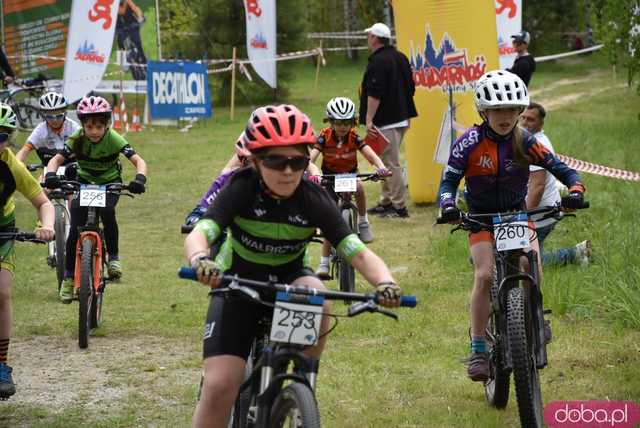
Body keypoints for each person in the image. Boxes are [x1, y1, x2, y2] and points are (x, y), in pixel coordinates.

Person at [184, 104, 402, 428]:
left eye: (298, 161)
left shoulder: (312, 197)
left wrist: (386, 282)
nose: (288, 171)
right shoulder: (241, 187)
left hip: (290, 278)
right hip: (236, 283)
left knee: (319, 292)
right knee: (219, 387)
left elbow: (357, 252)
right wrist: (201, 260)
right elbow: (202, 232)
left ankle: (303, 383)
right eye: (276, 160)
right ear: (256, 161)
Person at [438, 70, 586, 382]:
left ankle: (535, 315)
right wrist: (449, 205)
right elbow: (449, 181)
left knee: (531, 262)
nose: (505, 117)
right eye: (497, 110)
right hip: (480, 216)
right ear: (484, 111)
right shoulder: (469, 143)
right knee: (484, 274)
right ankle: (478, 346)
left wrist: (575, 190)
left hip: (516, 213)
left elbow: (560, 169)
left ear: (520, 112)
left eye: (511, 110)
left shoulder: (525, 141)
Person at [44, 96, 147, 302]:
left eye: (99, 126)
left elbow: (139, 161)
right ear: (82, 125)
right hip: (84, 182)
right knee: (75, 229)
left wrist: (140, 178)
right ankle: (69, 278)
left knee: (108, 212)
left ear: (107, 125)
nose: (94, 131)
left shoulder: (115, 138)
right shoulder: (76, 138)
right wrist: (51, 175)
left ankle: (114, 257)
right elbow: (56, 160)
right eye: (89, 126)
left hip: (110, 183)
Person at [0, 103, 55, 399]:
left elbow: (43, 203)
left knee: (2, 293)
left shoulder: (12, 165)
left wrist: (46, 226)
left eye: (1, 136)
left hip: (2, 232)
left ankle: (1, 364)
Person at [310, 97, 390, 278]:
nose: (343, 127)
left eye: (347, 122)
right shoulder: (324, 136)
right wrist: (314, 173)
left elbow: (369, 152)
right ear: (330, 121)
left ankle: (363, 221)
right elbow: (311, 158)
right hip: (329, 178)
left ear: (352, 122)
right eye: (338, 122)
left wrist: (380, 167)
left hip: (349, 175)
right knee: (329, 219)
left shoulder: (354, 137)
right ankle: (323, 264)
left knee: (360, 189)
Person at [521, 102, 591, 267]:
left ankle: (574, 254)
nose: (524, 122)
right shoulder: (527, 139)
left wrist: (523, 217)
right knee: (521, 258)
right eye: (523, 117)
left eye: (530, 119)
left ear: (541, 124)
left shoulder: (535, 145)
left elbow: (537, 186)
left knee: (526, 261)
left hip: (540, 213)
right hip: (542, 209)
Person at [359, 22, 417, 218]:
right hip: (402, 118)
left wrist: (369, 119)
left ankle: (399, 207)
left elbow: (375, 93)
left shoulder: (377, 61)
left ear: (375, 38)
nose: (368, 39)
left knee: (390, 164)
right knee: (384, 161)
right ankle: (386, 201)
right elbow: (412, 86)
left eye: (369, 36)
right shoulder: (400, 57)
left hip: (386, 121)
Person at [16, 92, 81, 181]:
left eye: (58, 115)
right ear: (44, 114)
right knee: (41, 191)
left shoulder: (74, 127)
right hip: (49, 171)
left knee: (72, 194)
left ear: (65, 112)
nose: (54, 120)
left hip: (73, 170)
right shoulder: (41, 130)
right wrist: (16, 165)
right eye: (50, 116)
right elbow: (25, 150)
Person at [116, 0, 148, 80]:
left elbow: (135, 8)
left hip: (132, 25)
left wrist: (140, 16)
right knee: (120, 42)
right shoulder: (113, 4)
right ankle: (123, 64)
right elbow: (121, 11)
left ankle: (144, 63)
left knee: (138, 44)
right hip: (121, 27)